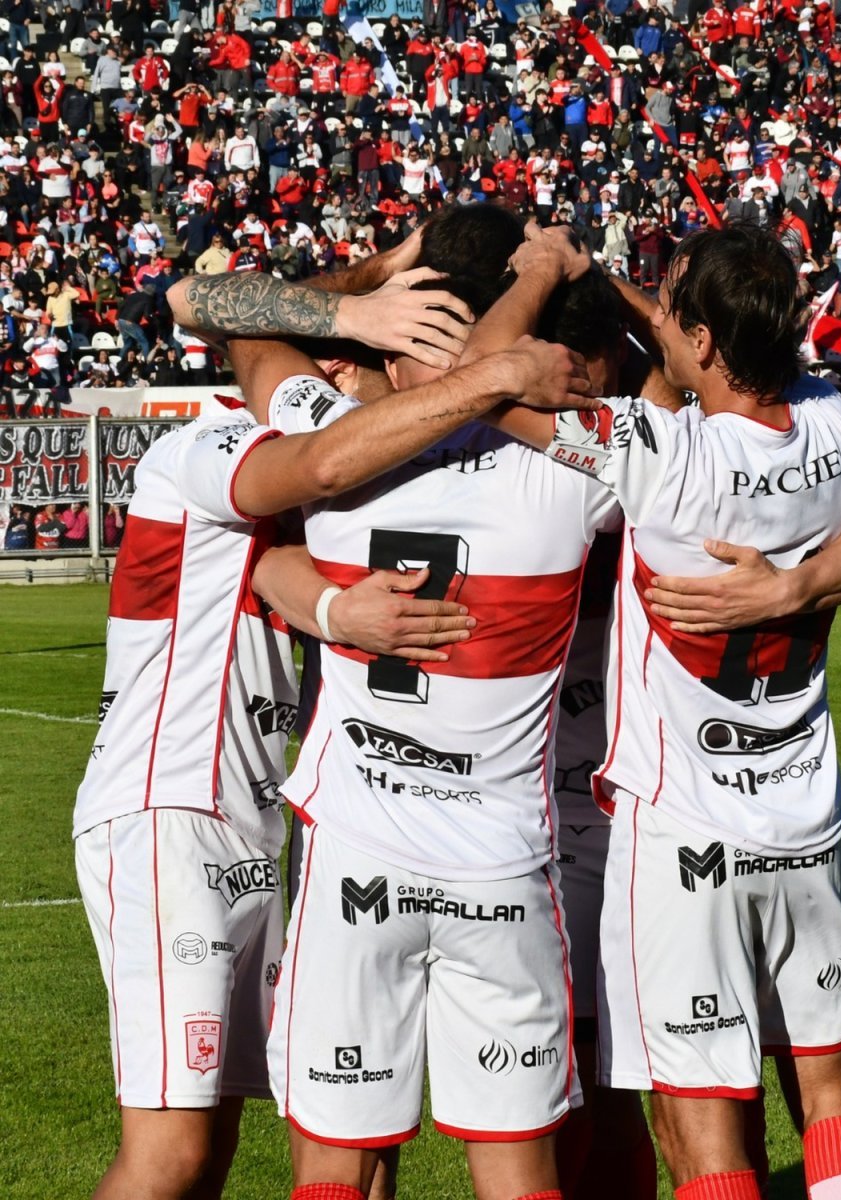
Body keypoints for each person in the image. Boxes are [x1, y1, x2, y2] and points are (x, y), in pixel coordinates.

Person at [76, 243, 594, 1200]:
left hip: (261, 819)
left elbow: (270, 547)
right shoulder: (219, 447)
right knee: (173, 1154)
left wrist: (367, 302)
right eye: (334, 349)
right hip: (168, 812)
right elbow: (298, 436)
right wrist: (370, 312)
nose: (341, 371)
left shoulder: (317, 450)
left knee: (260, 1140)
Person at [460, 222, 841, 1200]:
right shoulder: (830, 421)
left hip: (683, 833)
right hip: (803, 813)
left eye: (672, 309)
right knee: (831, 1090)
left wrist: (547, 277)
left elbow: (485, 389)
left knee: (703, 1137)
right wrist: (612, 283)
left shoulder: (655, 448)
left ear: (702, 340)